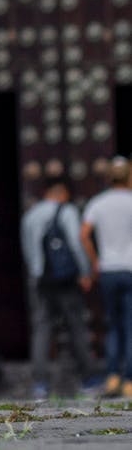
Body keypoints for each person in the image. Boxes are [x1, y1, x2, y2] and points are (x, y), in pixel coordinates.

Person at [22, 172, 95, 399]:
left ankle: (40, 384)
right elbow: (75, 242)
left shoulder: (30, 215)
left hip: (40, 279)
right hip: (64, 280)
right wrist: (85, 271)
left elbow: (27, 249)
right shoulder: (67, 211)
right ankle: (88, 379)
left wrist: (36, 272)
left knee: (42, 330)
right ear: (61, 192)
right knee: (76, 327)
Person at [83, 157, 132, 398]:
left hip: (109, 270)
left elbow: (84, 234)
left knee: (113, 324)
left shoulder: (98, 203)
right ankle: (130, 381)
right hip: (130, 268)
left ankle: (112, 375)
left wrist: (95, 260)